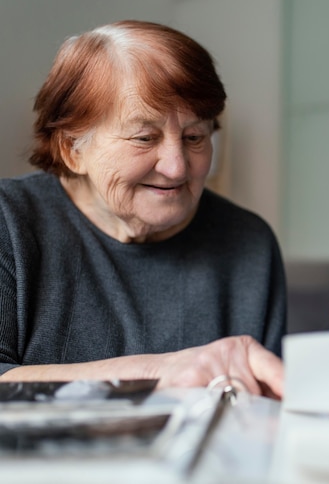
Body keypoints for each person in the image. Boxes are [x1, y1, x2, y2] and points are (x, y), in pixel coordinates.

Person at [0, 20, 286, 398]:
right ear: (73, 149)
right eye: (144, 138)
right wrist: (157, 372)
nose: (177, 167)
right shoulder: (10, 222)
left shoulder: (249, 244)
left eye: (195, 137)